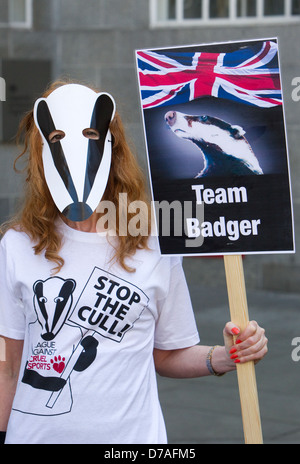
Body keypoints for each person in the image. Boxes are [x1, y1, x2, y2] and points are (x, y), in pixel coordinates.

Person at [0, 80, 268, 445]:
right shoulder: (18, 245)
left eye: (91, 134)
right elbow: (8, 366)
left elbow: (168, 354)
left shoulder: (154, 241)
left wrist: (225, 356)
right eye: (58, 138)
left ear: (112, 147)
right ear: (41, 152)